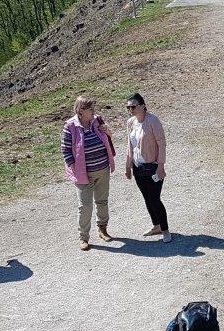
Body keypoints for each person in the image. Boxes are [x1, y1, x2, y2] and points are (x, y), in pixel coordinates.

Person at [62, 96, 116, 251]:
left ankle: (103, 230)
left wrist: (107, 131)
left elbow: (109, 137)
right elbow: (65, 150)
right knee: (84, 206)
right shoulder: (70, 126)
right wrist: (74, 167)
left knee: (102, 201)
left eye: (93, 108)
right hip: (83, 174)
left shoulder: (97, 121)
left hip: (102, 169)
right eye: (90, 109)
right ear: (80, 111)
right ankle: (84, 238)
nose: (93, 112)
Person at [124, 92, 170, 243]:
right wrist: (128, 165)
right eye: (128, 107)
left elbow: (161, 143)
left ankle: (165, 230)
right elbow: (130, 145)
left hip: (153, 166)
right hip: (138, 167)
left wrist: (161, 166)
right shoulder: (130, 122)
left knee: (155, 199)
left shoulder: (153, 120)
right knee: (147, 198)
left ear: (143, 106)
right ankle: (156, 225)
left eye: (133, 106)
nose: (131, 110)